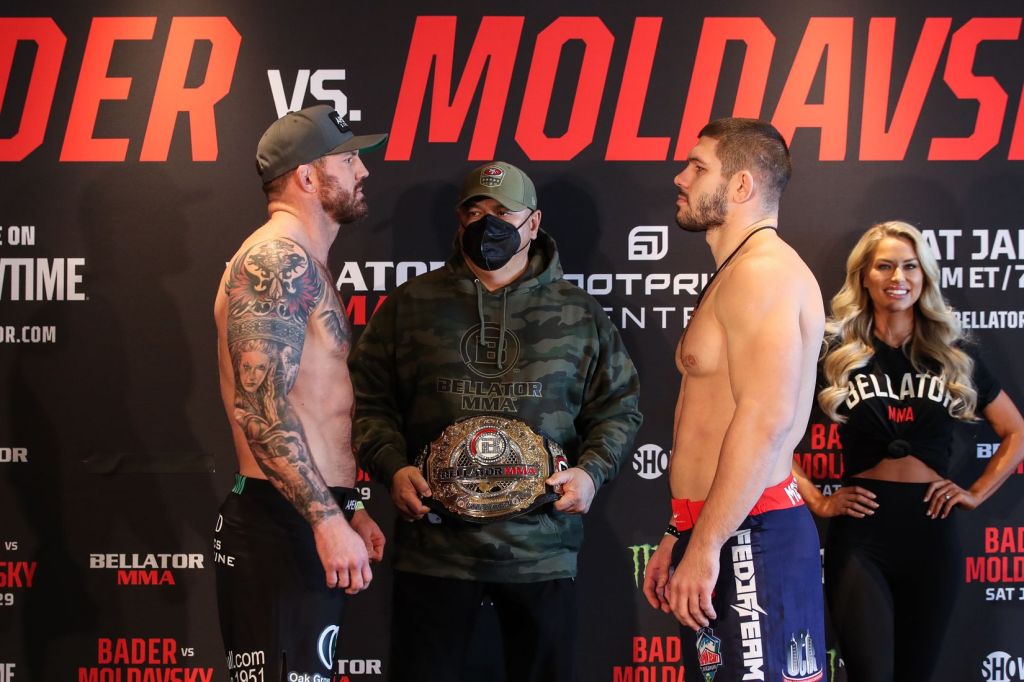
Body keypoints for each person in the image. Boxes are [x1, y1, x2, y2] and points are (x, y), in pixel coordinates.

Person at [350, 161, 642, 682]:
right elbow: (369, 402)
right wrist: (392, 467)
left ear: (533, 223)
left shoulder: (580, 314)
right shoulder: (410, 305)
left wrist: (591, 472)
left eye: (503, 212)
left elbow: (617, 406)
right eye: (474, 211)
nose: (488, 224)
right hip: (434, 553)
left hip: (542, 551)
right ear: (459, 220)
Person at [790, 220, 1024, 681]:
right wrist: (818, 499)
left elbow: (1015, 431)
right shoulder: (838, 354)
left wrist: (975, 492)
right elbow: (775, 436)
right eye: (885, 267)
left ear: (925, 276)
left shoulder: (951, 354)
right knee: (870, 674)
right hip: (861, 535)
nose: (898, 277)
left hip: (931, 535)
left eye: (910, 266)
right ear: (864, 276)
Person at [642, 118, 827, 682]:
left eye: (698, 167)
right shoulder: (739, 272)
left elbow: (766, 419)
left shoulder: (762, 274)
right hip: (723, 531)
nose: (681, 176)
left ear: (742, 186)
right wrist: (683, 532)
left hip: (750, 537)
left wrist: (707, 546)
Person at [212, 104, 388, 681]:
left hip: (302, 516)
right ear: (308, 177)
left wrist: (349, 507)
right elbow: (261, 409)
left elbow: (319, 408)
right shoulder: (274, 261)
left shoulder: (305, 262)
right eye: (347, 158)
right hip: (280, 525)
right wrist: (326, 521)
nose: (362, 171)